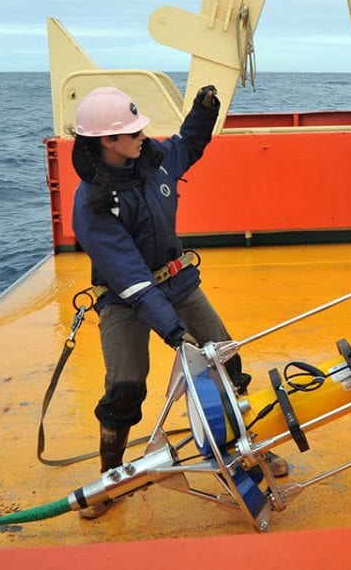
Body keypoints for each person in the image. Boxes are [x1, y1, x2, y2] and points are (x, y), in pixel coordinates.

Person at [70, 85, 286, 518]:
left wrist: (204, 112)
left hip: (177, 282)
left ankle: (247, 450)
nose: (141, 136)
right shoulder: (93, 204)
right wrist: (174, 332)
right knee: (125, 386)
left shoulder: (153, 160)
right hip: (124, 297)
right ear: (106, 143)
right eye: (131, 132)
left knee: (226, 360)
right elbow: (131, 281)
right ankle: (111, 479)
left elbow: (188, 144)